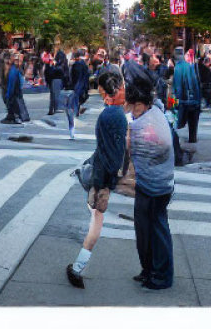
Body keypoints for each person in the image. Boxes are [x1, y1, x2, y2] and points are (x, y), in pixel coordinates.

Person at [66, 70, 128, 289]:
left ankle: (77, 268)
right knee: (96, 223)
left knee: (96, 222)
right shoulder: (114, 115)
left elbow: (105, 151)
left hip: (100, 177)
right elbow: (113, 156)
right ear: (117, 89)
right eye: (122, 86)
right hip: (102, 179)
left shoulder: (111, 113)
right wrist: (107, 182)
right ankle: (77, 268)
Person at [126, 77, 176, 290]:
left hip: (156, 186)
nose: (133, 110)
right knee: (145, 230)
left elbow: (163, 145)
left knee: (156, 230)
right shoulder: (151, 115)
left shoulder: (149, 121)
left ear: (144, 103)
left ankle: (162, 276)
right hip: (151, 184)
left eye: (136, 105)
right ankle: (149, 270)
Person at [172, 46, 202, 144]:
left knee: (178, 123)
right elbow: (195, 83)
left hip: (183, 101)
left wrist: (176, 102)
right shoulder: (189, 66)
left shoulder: (177, 68)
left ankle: (177, 142)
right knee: (193, 124)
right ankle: (192, 139)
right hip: (194, 100)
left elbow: (177, 87)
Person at [65, 49, 91, 140]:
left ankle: (72, 131)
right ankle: (77, 115)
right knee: (75, 108)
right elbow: (87, 78)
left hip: (75, 89)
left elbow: (71, 78)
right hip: (82, 89)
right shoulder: (85, 65)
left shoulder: (75, 65)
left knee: (71, 110)